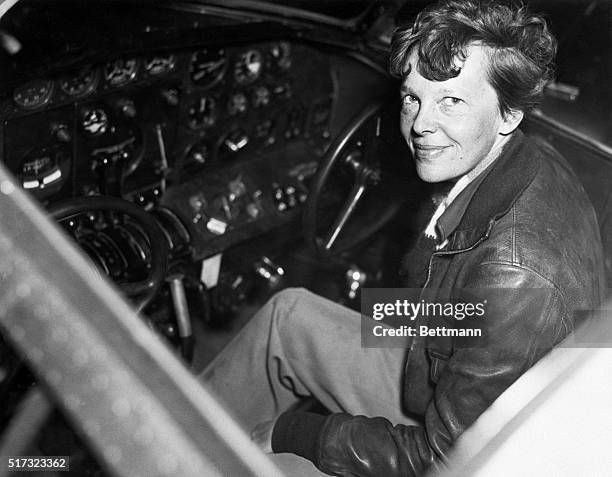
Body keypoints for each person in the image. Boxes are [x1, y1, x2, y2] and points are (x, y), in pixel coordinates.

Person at [200, 1, 604, 475]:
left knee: (277, 461)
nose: (420, 124)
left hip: (479, 459)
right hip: (452, 346)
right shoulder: (525, 156)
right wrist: (400, 317)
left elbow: (441, 459)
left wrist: (294, 434)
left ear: (508, 114)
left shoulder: (514, 276)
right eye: (413, 97)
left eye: (451, 101)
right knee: (288, 317)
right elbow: (458, 305)